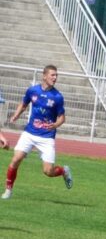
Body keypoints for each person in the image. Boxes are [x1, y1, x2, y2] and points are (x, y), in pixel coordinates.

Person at [3, 65, 72, 199]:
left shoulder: (57, 97)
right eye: (52, 75)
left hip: (46, 137)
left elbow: (62, 118)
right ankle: (8, 190)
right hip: (29, 133)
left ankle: (64, 171)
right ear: (44, 76)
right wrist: (16, 115)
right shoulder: (32, 90)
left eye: (56, 75)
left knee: (48, 171)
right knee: (16, 159)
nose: (55, 78)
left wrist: (55, 125)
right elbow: (24, 104)